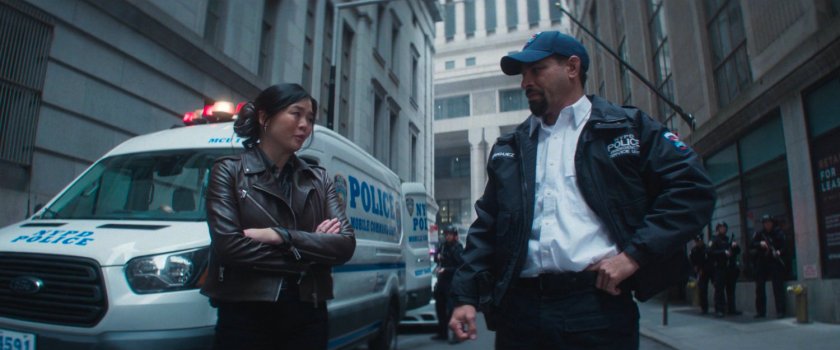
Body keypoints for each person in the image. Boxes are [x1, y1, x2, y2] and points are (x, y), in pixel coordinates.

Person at [448, 31, 716, 349]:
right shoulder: (511, 149)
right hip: (519, 316)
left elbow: (692, 188)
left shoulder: (626, 129)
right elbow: (486, 227)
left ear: (572, 68)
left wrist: (634, 255)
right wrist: (465, 297)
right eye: (523, 74)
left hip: (597, 311)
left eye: (537, 70)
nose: (525, 83)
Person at [201, 83, 356, 349]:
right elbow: (230, 247)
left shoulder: (318, 179)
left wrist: (281, 236)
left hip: (308, 314)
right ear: (265, 117)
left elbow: (344, 245)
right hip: (245, 314)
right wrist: (311, 249)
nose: (305, 125)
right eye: (296, 114)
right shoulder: (228, 171)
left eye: (310, 119)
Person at [432, 225, 464, 342]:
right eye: (446, 234)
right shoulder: (443, 246)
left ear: (454, 235)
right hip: (442, 281)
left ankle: (457, 333)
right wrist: (437, 256)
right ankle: (442, 332)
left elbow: (460, 267)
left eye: (450, 234)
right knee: (440, 307)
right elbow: (436, 258)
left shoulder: (458, 248)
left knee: (452, 309)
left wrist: (446, 270)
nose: (447, 236)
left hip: (452, 282)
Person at [750, 214, 786, 319]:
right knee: (760, 286)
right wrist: (759, 244)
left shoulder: (778, 233)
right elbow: (751, 244)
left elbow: (784, 246)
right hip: (762, 261)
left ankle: (780, 310)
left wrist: (779, 252)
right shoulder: (760, 234)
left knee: (777, 286)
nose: (767, 225)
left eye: (769, 223)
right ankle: (761, 311)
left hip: (774, 261)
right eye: (765, 223)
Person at [709, 222, 740, 317]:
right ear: (718, 229)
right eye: (721, 228)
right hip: (720, 267)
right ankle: (719, 309)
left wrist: (735, 246)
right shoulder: (714, 240)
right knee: (719, 290)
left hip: (730, 268)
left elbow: (737, 251)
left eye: (724, 227)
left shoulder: (728, 239)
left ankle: (732, 308)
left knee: (731, 289)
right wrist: (723, 252)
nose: (723, 229)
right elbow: (710, 252)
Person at [689, 235, 712, 315]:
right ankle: (704, 307)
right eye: (696, 241)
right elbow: (692, 260)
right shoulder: (694, 250)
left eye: (699, 241)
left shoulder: (706, 249)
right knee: (702, 290)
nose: (698, 243)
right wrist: (696, 268)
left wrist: (703, 269)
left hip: (707, 270)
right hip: (699, 272)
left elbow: (708, 260)